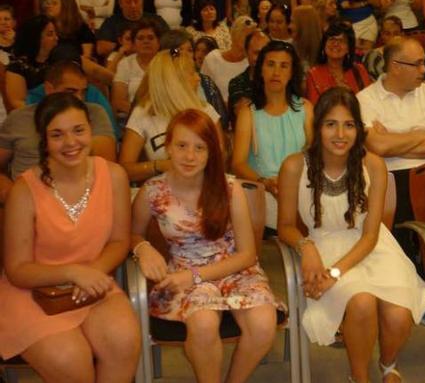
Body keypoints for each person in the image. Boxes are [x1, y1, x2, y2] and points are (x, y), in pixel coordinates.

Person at [277, 87, 425, 383]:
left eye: (349, 124)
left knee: (399, 315)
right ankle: (359, 377)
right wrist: (306, 247)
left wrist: (335, 273)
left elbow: (371, 234)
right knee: (361, 302)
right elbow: (285, 224)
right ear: (317, 126)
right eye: (330, 124)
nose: (340, 134)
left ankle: (388, 365)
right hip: (324, 244)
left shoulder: (373, 164)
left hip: (373, 246)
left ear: (359, 129)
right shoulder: (295, 166)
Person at [131, 109, 280, 382]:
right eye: (182, 146)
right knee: (202, 324)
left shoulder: (228, 188)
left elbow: (247, 255)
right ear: (168, 147)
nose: (190, 156)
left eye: (200, 148)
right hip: (183, 272)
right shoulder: (152, 191)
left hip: (234, 268)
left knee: (263, 325)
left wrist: (193, 276)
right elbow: (132, 234)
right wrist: (143, 248)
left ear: (211, 152)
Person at [0, 92, 140, 380]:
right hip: (33, 294)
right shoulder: (24, 192)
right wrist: (74, 273)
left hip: (94, 282)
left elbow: (118, 242)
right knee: (71, 361)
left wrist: (92, 274)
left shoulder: (113, 176)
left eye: (78, 130)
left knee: (124, 342)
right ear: (44, 140)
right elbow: (18, 270)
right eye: (57, 135)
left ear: (91, 129)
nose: (71, 143)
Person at [357, 38, 425, 261]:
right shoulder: (365, 99)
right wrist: (421, 134)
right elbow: (377, 146)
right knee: (399, 237)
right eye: (418, 64)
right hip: (391, 180)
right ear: (396, 66)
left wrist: (392, 140)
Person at [0, 61, 116, 213]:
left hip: (82, 199)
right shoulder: (19, 118)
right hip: (27, 202)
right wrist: (12, 194)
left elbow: (106, 161)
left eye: (83, 92)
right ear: (49, 89)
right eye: (71, 91)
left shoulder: (94, 113)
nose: (79, 99)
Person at [232, 41, 313, 229]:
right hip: (261, 191)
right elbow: (238, 163)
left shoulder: (306, 109)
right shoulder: (248, 113)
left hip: (300, 189)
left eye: (284, 66)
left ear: (292, 72)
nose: (276, 72)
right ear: (260, 70)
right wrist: (265, 183)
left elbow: (316, 155)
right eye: (270, 64)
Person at [119, 49, 222, 183]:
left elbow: (220, 160)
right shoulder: (143, 113)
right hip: (161, 192)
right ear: (173, 82)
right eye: (192, 73)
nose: (198, 78)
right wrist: (159, 166)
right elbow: (124, 170)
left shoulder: (206, 111)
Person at [160, 30, 229, 131]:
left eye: (190, 50)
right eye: (178, 51)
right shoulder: (157, 83)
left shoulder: (205, 82)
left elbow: (222, 122)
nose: (185, 55)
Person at [305, 20, 372, 104]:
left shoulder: (359, 70)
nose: (335, 44)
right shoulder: (313, 74)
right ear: (324, 45)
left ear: (348, 48)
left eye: (341, 40)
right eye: (331, 39)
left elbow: (369, 102)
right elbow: (315, 108)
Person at [95, 0, 169, 57]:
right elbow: (101, 49)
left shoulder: (156, 20)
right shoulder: (111, 22)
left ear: (142, 1)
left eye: (136, 1)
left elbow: (170, 43)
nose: (133, 5)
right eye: (128, 2)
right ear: (120, 4)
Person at [5, 15, 59, 110]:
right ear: (36, 38)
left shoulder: (57, 62)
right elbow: (17, 103)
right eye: (50, 34)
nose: (56, 38)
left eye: (56, 33)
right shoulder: (17, 67)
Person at [111, 18, 162, 118]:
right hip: (131, 118)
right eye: (140, 38)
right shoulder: (125, 64)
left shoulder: (166, 63)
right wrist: (144, 115)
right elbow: (118, 102)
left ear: (159, 42)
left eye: (151, 38)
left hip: (161, 116)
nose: (146, 41)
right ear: (134, 43)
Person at [201, 15, 257, 105]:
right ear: (233, 33)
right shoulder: (212, 58)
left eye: (250, 36)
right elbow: (202, 91)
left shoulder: (252, 63)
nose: (247, 39)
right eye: (244, 33)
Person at [228, 30, 270, 117]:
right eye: (257, 53)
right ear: (246, 53)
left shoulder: (278, 80)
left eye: (266, 52)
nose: (262, 57)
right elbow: (243, 113)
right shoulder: (237, 83)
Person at [363, 16, 404, 80]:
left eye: (396, 34)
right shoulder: (373, 56)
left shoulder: (410, 54)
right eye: (387, 34)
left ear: (402, 34)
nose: (392, 37)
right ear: (382, 35)